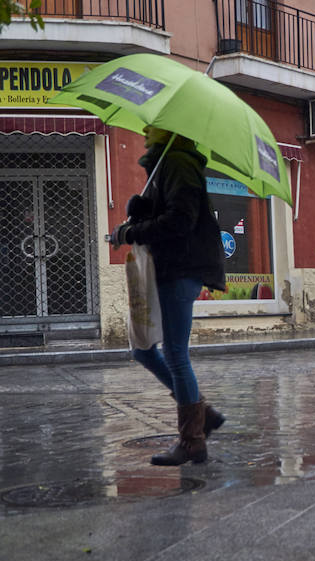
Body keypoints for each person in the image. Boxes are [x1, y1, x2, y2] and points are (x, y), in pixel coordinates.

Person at [110, 125, 227, 466]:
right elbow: (168, 213)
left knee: (175, 354)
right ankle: (202, 415)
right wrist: (141, 210)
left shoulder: (178, 162)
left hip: (181, 269)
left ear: (168, 131)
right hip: (168, 269)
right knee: (144, 351)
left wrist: (133, 229)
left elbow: (180, 220)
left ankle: (192, 441)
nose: (146, 128)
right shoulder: (164, 164)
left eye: (153, 125)